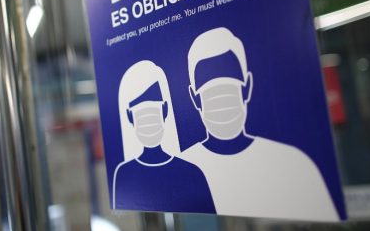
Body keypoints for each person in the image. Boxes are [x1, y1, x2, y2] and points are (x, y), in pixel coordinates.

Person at [180, 27, 339, 221]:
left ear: (246, 87)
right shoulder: (184, 169)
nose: (221, 100)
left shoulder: (294, 165)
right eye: (210, 92)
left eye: (229, 87)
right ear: (194, 98)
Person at [113, 60, 215, 213]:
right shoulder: (124, 174)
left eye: (153, 110)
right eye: (141, 112)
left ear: (165, 109)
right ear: (129, 117)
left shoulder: (193, 173)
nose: (148, 120)